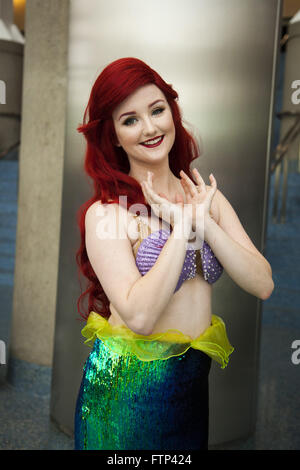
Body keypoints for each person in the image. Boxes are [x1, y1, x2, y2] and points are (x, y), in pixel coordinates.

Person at [74, 57, 274, 451]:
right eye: (129, 120)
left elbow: (263, 283)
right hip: (126, 395)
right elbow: (142, 316)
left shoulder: (205, 200)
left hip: (190, 392)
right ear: (113, 136)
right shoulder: (108, 213)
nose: (149, 128)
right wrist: (182, 229)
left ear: (172, 113)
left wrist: (203, 221)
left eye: (157, 110)